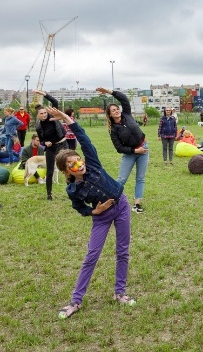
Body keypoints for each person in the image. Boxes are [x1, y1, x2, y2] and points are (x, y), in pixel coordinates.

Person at [45, 107, 135, 319]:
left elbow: (84, 139)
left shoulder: (92, 164)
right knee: (91, 256)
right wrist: (96, 210)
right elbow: (80, 208)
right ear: (66, 171)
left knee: (123, 251)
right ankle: (76, 301)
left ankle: (119, 293)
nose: (78, 163)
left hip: (121, 205)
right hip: (102, 217)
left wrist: (68, 120)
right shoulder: (73, 189)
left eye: (77, 159)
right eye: (71, 164)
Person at [97, 88, 148, 214]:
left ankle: (137, 204)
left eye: (117, 108)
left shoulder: (127, 115)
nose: (117, 111)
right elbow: (119, 148)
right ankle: (110, 201)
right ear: (110, 114)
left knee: (140, 178)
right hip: (130, 153)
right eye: (113, 110)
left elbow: (124, 99)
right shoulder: (113, 129)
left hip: (144, 147)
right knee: (121, 179)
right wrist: (135, 151)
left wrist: (110, 92)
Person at [34, 90, 69, 200]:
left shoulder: (53, 117)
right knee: (49, 171)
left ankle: (72, 191)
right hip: (51, 148)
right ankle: (49, 194)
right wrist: (45, 143)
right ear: (38, 115)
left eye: (45, 113)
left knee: (68, 168)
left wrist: (42, 93)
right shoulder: (39, 127)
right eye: (41, 114)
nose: (44, 115)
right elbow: (42, 140)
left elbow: (54, 101)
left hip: (62, 144)